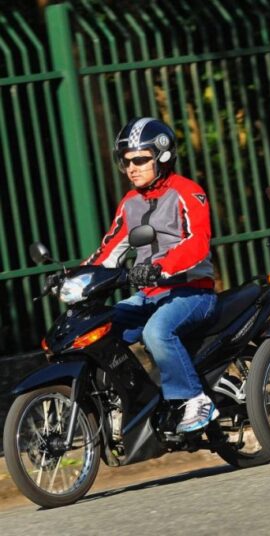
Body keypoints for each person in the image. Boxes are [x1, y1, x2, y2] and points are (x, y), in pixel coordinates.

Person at [86, 117, 218, 433]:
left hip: (192, 291)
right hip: (149, 295)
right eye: (127, 162)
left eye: (140, 160)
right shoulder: (129, 203)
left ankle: (194, 399)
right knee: (100, 331)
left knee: (156, 332)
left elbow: (198, 242)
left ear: (162, 156)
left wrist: (161, 267)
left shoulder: (188, 192)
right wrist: (75, 277)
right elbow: (109, 251)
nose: (132, 168)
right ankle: (129, 404)